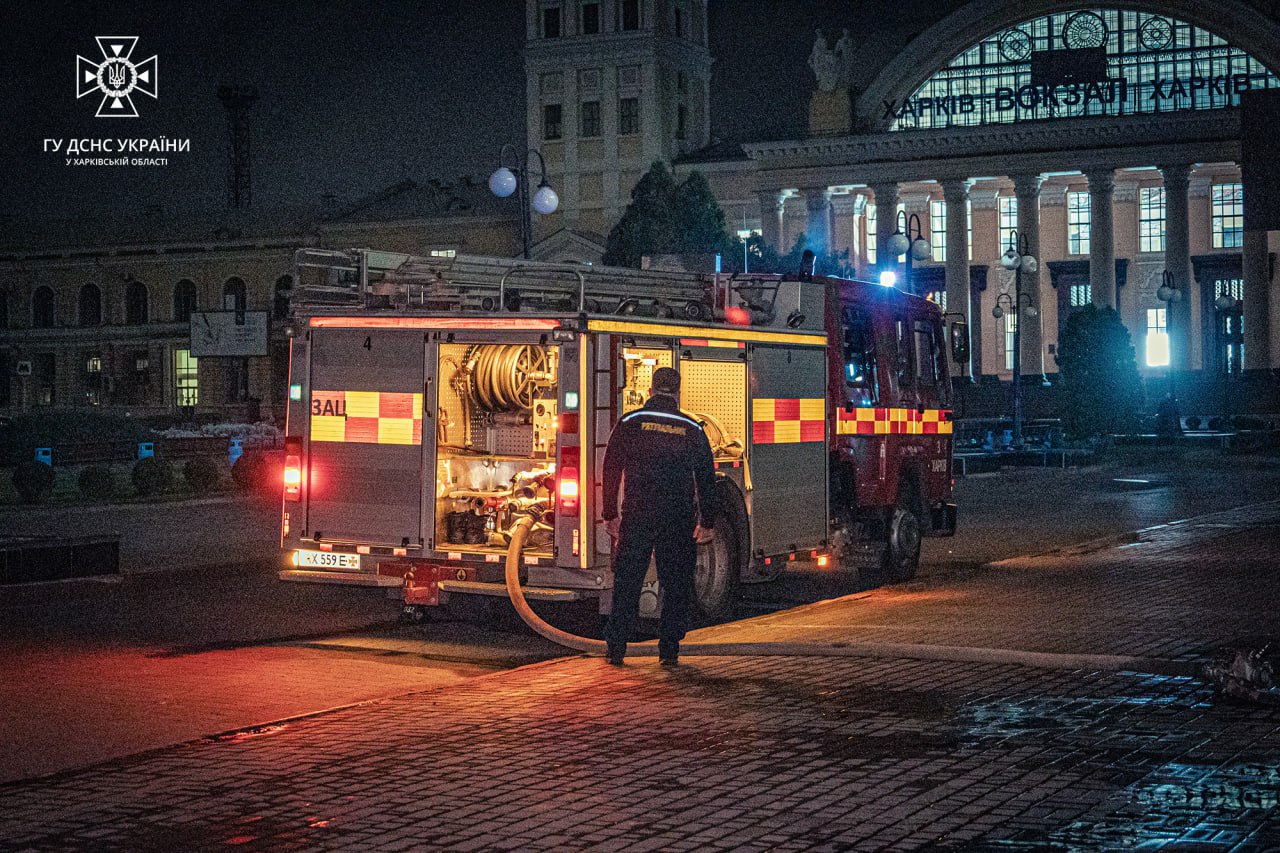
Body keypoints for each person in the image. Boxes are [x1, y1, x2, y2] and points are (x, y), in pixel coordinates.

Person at [601, 367, 716, 667]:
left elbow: (610, 468)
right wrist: (708, 522)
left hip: (637, 514)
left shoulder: (630, 422)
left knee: (627, 582)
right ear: (677, 392)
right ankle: (669, 651)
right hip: (677, 518)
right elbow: (706, 478)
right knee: (676, 584)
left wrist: (610, 513)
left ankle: (616, 649)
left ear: (651, 390)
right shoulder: (692, 428)